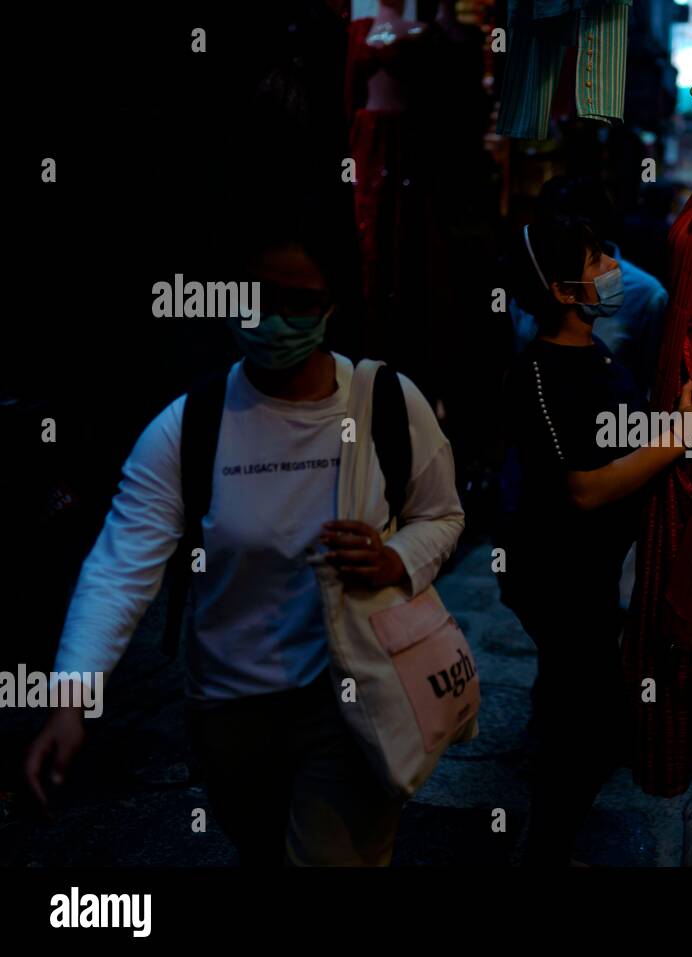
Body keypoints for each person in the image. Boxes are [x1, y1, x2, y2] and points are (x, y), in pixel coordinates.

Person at [24, 223, 464, 866]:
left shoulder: (387, 403)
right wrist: (71, 696)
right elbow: (120, 568)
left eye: (300, 301)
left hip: (356, 703)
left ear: (332, 305)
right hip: (230, 716)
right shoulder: (190, 426)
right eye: (258, 294)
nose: (275, 318)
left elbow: (442, 516)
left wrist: (395, 557)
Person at [497, 212, 692, 865]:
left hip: (591, 576)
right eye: (594, 263)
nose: (611, 269)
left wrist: (668, 421)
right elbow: (584, 486)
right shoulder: (539, 373)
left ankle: (554, 827)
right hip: (552, 575)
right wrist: (675, 440)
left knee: (580, 707)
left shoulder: (596, 351)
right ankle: (547, 846)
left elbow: (624, 433)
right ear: (561, 290)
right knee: (583, 726)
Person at [508, 175, 669, 402]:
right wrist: (681, 431)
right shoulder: (542, 377)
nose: (614, 265)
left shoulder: (646, 298)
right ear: (564, 291)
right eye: (595, 258)